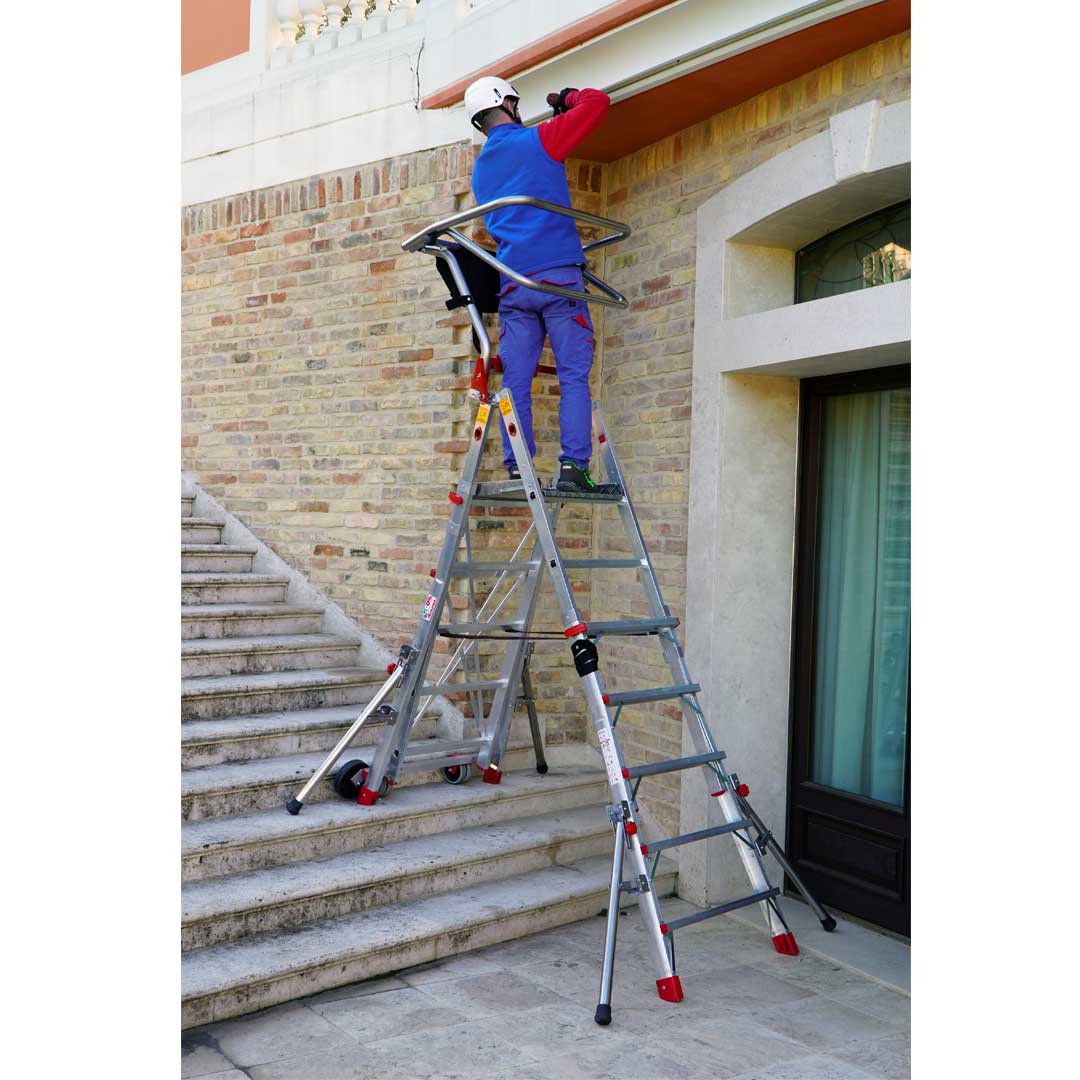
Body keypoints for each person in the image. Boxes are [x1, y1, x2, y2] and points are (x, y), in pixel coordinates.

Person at [465, 75, 616, 494]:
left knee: (515, 382)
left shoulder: (481, 170)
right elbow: (597, 102)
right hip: (558, 278)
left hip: (514, 285)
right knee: (573, 375)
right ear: (508, 104)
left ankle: (518, 468)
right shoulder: (539, 139)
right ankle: (573, 469)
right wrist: (566, 97)